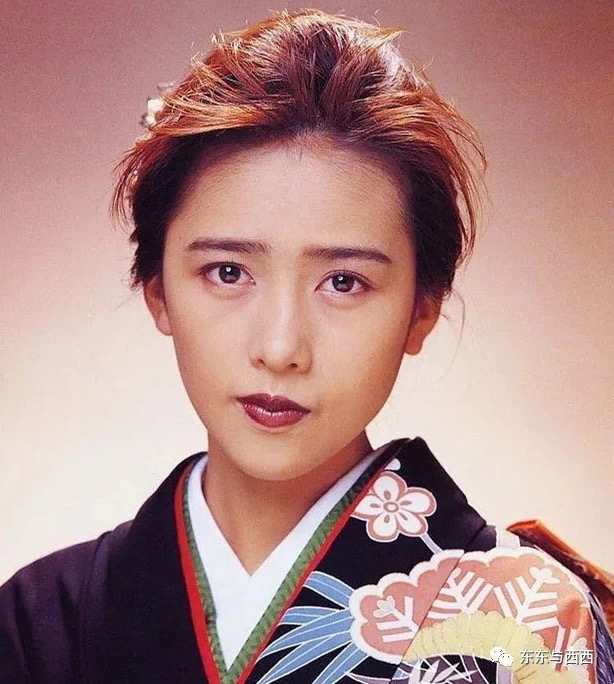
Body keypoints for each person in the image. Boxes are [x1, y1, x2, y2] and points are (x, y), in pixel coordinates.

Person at [1, 8, 612, 684]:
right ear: (157, 290)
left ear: (423, 308)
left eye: (344, 282)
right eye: (227, 272)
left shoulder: (535, 624)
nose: (280, 347)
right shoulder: (38, 622)